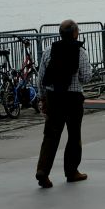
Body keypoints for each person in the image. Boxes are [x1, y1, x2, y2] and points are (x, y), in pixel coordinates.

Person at [35, 19, 92, 189]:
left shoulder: (48, 51)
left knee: (51, 135)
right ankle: (71, 171)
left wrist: (43, 98)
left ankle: (43, 171)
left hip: (54, 97)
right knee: (74, 135)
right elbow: (86, 77)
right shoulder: (80, 52)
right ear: (75, 34)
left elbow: (41, 78)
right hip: (73, 98)